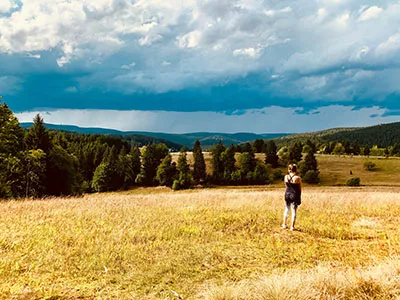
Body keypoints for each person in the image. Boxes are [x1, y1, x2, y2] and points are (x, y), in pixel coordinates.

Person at [282, 164, 302, 231]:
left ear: (289, 169)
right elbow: (300, 188)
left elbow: (286, 186)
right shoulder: (298, 178)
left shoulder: (286, 177)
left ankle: (284, 224)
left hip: (287, 194)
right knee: (294, 211)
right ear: (296, 170)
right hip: (294, 195)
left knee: (287, 209)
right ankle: (292, 227)